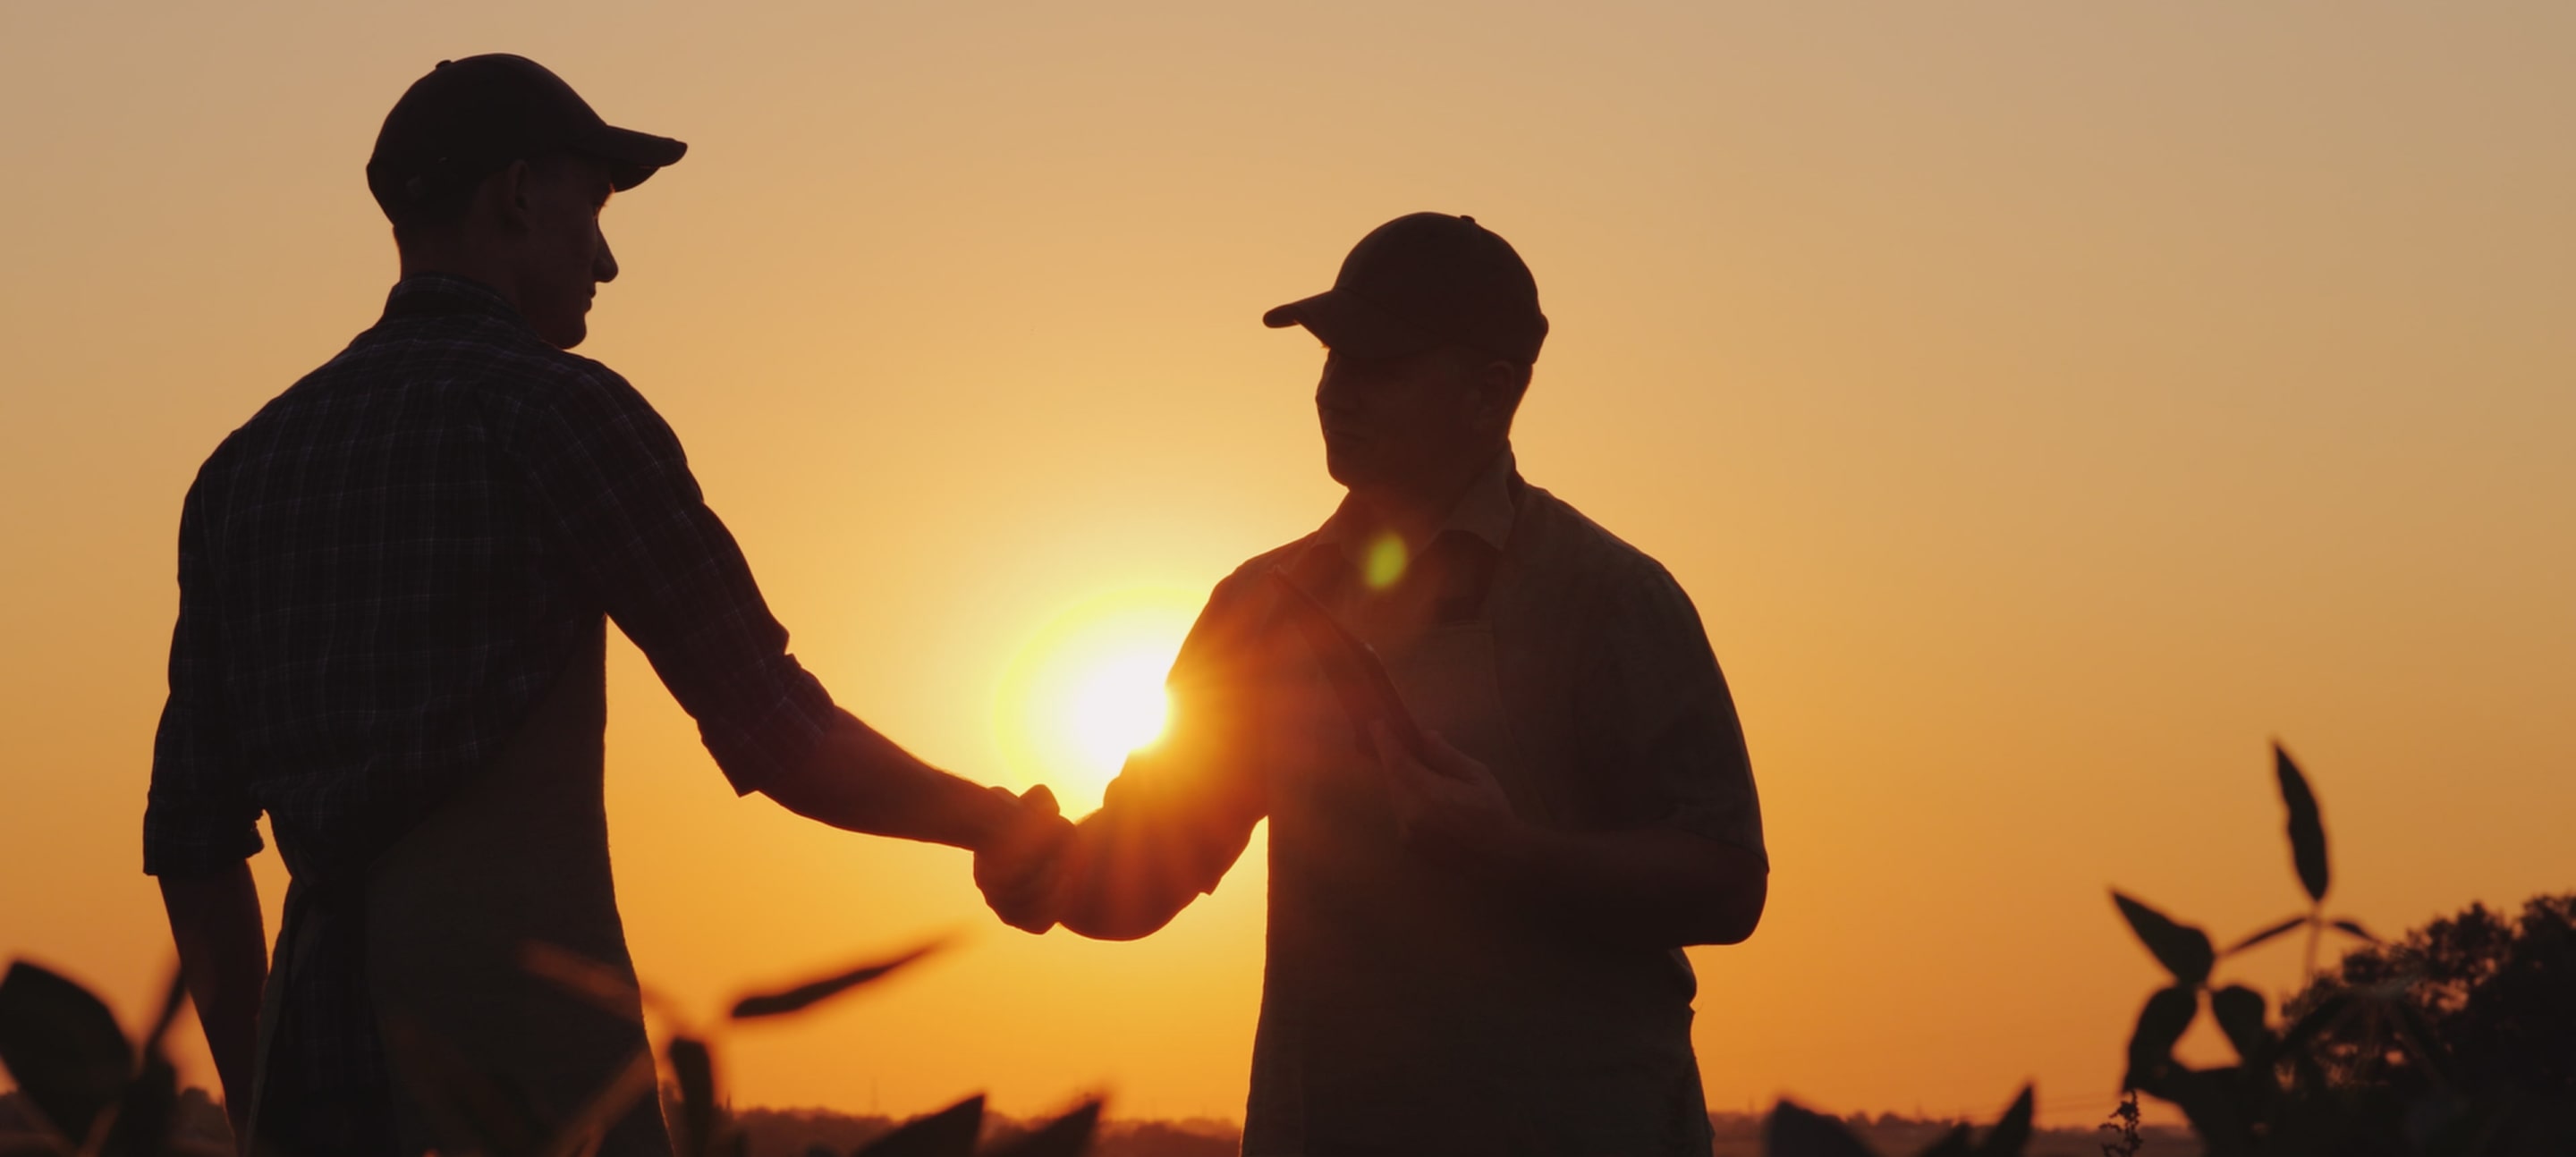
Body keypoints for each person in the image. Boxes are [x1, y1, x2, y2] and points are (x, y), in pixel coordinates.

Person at [144, 55, 1066, 1157]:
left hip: (318, 1062)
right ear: (520, 195)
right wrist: (999, 824)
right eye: (596, 207)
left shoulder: (244, 470)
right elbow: (774, 726)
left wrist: (261, 1104)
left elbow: (194, 839)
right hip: (537, 1078)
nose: (610, 261)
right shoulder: (561, 415)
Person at [975, 212, 1771, 1156]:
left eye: (1379, 364)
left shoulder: (1611, 600)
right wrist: (1040, 872)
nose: (1335, 392)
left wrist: (1512, 852)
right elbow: (1143, 880)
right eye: (1331, 357)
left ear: (1490, 392)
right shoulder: (1260, 606)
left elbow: (1728, 885)